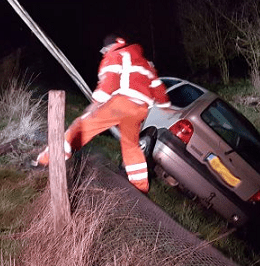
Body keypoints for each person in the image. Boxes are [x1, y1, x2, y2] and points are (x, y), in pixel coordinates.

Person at [32, 34, 171, 194]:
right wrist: (165, 105)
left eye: (104, 50)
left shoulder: (115, 54)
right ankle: (140, 188)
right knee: (131, 145)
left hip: (122, 102)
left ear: (108, 47)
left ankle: (46, 161)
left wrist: (95, 104)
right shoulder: (144, 62)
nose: (104, 53)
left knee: (82, 125)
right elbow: (157, 86)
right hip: (139, 109)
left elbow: (110, 81)